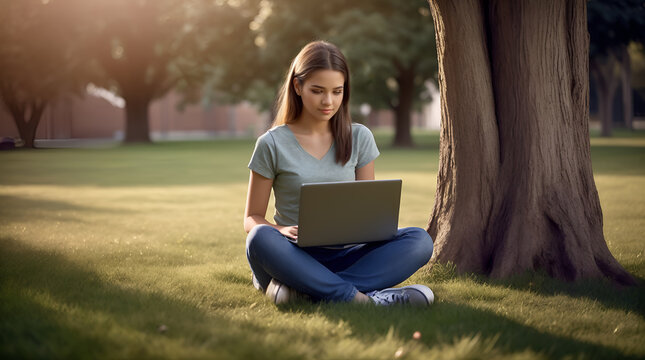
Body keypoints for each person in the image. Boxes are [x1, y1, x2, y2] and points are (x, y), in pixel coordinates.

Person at [244, 41, 434, 306]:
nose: (328, 101)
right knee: (259, 238)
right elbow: (251, 218)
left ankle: (306, 291)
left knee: (420, 240)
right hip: (292, 255)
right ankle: (364, 299)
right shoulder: (271, 143)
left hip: (346, 254)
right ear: (297, 87)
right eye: (318, 91)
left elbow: (368, 212)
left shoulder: (359, 137)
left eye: (337, 91)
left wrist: (375, 230)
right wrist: (280, 229)